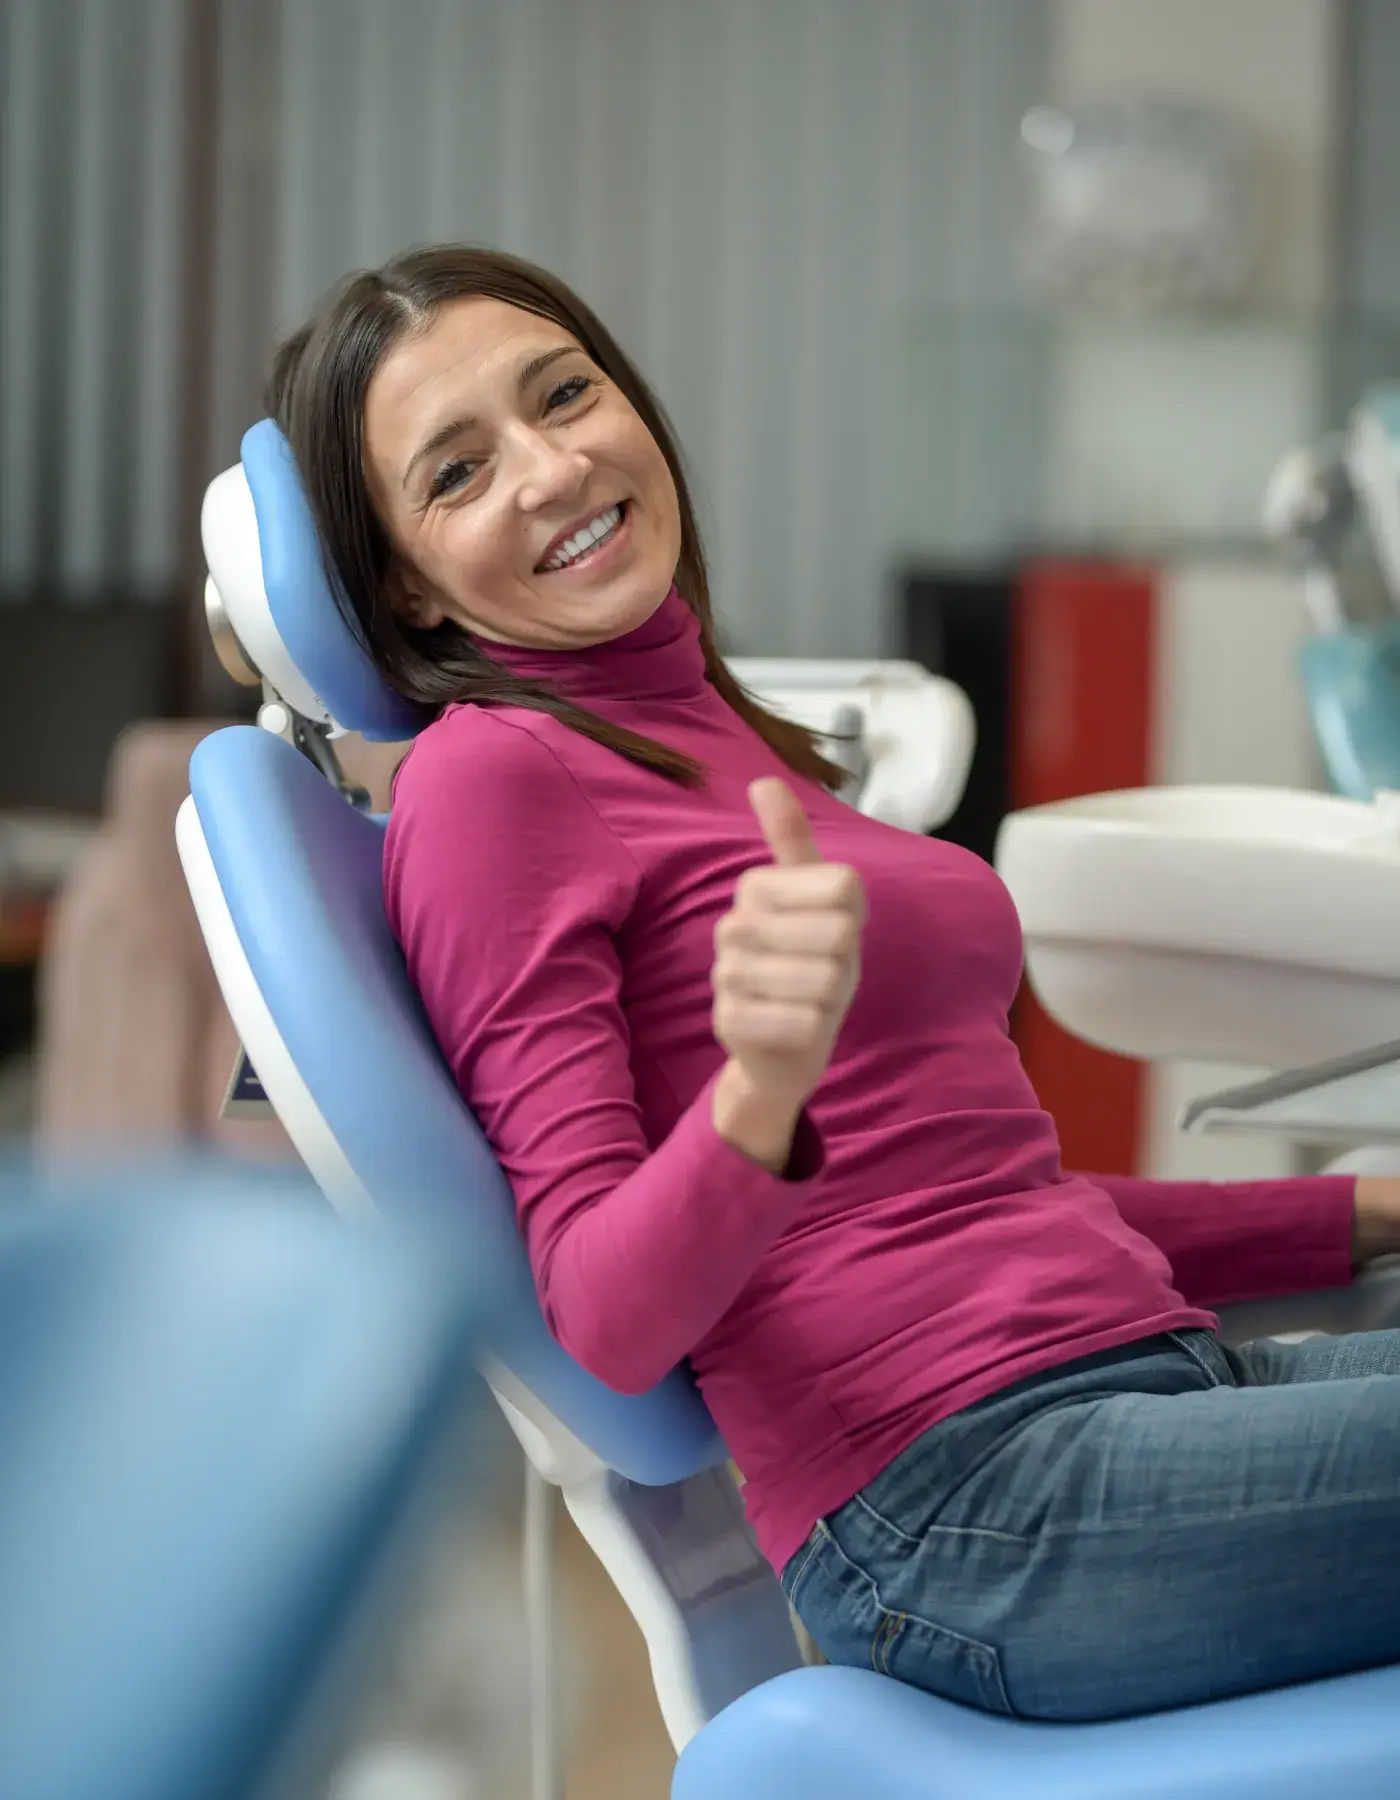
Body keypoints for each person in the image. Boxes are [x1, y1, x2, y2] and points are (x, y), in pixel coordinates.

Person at [268, 244, 1400, 1723]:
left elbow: (981, 1208)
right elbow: (604, 1316)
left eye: (566, 394)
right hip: (966, 1507)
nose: (552, 469)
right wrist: (755, 1096)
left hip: (1137, 1394)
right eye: (458, 473)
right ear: (408, 596)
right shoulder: (496, 779)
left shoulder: (719, 737)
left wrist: (1365, 1209)